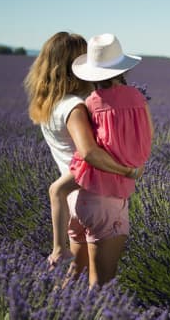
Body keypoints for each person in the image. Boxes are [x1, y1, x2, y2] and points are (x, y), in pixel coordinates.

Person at [23, 32, 148, 287]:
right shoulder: (76, 107)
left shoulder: (51, 104)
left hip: (74, 201)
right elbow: (90, 152)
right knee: (101, 286)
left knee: (74, 279)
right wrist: (127, 170)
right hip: (100, 199)